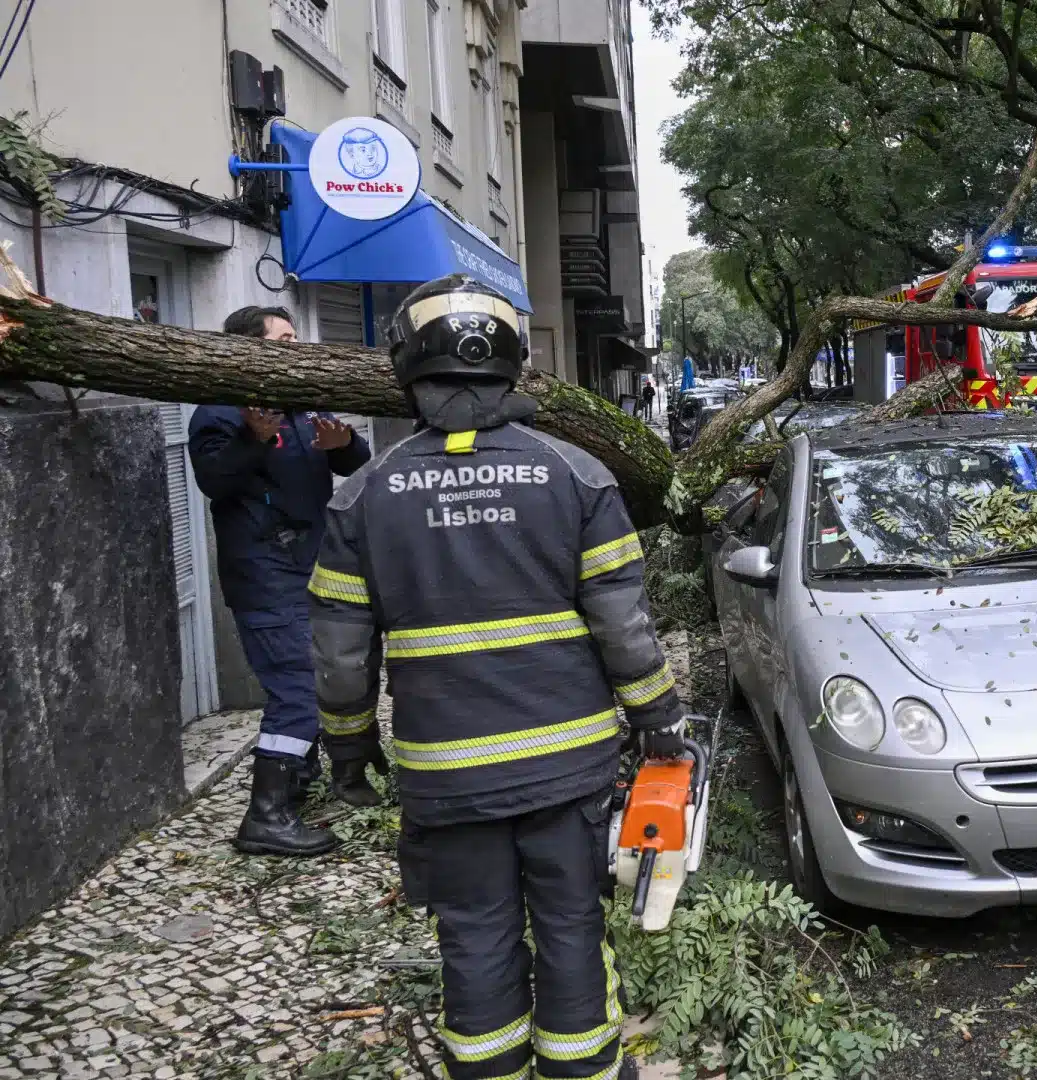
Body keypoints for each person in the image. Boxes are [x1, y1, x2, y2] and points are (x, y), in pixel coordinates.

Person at [308, 274, 684, 1080]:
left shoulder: (363, 495)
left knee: (473, 931)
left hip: (447, 774)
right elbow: (624, 625)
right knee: (573, 923)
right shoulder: (577, 476)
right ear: (513, 364)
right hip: (566, 766)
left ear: (407, 364)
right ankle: (582, 1068)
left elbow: (340, 655)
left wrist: (348, 746)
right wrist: (660, 716)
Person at [189, 305, 374, 857]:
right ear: (251, 347)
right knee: (296, 688)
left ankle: (300, 775)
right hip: (264, 573)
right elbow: (214, 482)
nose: (298, 346)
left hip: (313, 565)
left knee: (321, 677)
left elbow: (354, 461)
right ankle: (265, 815)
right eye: (285, 338)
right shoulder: (219, 412)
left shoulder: (299, 403)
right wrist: (253, 437)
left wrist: (342, 444)